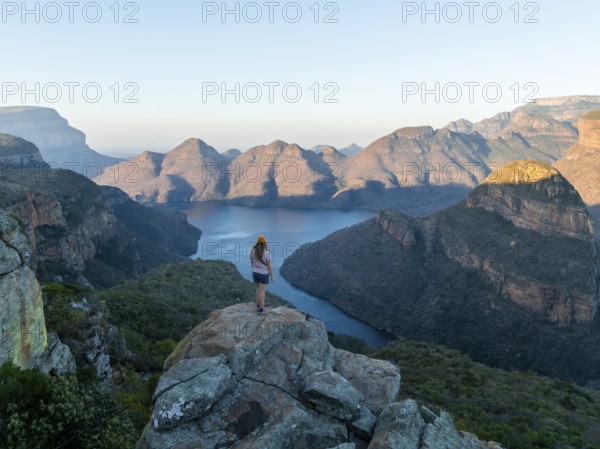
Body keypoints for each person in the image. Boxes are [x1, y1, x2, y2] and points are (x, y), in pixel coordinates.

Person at [251, 235, 274, 316]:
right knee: (262, 291)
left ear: (257, 242)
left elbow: (252, 261)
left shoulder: (253, 250)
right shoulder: (267, 253)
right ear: (265, 243)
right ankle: (261, 310)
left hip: (255, 273)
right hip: (263, 274)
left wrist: (254, 269)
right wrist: (272, 276)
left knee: (258, 289)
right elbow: (269, 266)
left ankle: (259, 304)